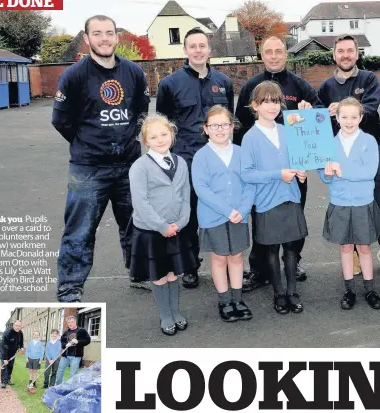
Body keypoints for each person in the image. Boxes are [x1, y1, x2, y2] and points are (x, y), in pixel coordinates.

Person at [52, 15, 151, 302]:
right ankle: (70, 288)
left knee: (136, 223)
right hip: (88, 169)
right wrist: (88, 143)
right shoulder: (74, 76)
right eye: (98, 33)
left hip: (130, 165)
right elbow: (61, 121)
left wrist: (128, 141)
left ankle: (139, 273)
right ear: (87, 38)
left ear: (117, 37)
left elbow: (141, 113)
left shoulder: (133, 72)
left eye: (109, 33)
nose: (104, 38)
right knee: (79, 231)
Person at [234, 36, 321, 290]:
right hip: (262, 172)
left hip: (294, 170)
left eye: (278, 51)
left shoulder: (300, 85)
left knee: (294, 216)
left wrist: (310, 111)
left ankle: (294, 262)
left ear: (286, 54)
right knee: (260, 219)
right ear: (262, 55)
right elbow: (240, 126)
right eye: (268, 52)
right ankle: (259, 268)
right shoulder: (252, 85)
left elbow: (319, 120)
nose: (273, 56)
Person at [156, 28, 235, 289]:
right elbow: (163, 126)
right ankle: (190, 266)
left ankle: (224, 259)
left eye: (203, 45)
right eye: (193, 46)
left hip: (218, 159)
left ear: (209, 49)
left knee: (219, 208)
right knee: (188, 214)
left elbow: (229, 121)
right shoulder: (169, 84)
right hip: (185, 159)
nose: (198, 50)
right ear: (185, 50)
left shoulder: (223, 82)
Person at [317, 34, 380, 277]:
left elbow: (370, 110)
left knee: (379, 202)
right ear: (334, 55)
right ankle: (352, 254)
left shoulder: (369, 79)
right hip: (340, 150)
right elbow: (318, 122)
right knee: (346, 205)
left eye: (350, 51)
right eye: (341, 51)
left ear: (357, 54)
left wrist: (341, 107)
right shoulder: (325, 87)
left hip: (367, 149)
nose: (345, 55)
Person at [240, 81, 308, 314]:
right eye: (266, 101)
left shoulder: (288, 130)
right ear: (255, 106)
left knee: (291, 249)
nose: (272, 106)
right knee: (271, 251)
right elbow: (247, 174)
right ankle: (279, 294)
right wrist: (278, 174)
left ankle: (292, 291)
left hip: (290, 197)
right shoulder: (250, 137)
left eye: (276, 101)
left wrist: (301, 170)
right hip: (267, 201)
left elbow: (300, 158)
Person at [319, 98, 380, 310]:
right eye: (344, 117)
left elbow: (368, 173)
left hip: (362, 202)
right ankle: (349, 290)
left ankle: (370, 289)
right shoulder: (329, 143)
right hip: (339, 202)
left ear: (361, 117)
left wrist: (341, 171)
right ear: (337, 118)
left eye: (353, 117)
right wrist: (328, 174)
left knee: (364, 248)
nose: (349, 121)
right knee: (346, 247)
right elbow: (323, 174)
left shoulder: (369, 142)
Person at [129, 114, 193, 336]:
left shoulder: (181, 162)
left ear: (172, 134)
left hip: (175, 228)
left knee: (173, 273)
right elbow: (140, 202)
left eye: (164, 134)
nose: (160, 140)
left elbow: (186, 194)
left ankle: (175, 311)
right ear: (145, 141)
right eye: (153, 137)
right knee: (159, 275)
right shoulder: (140, 167)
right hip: (151, 231)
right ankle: (165, 314)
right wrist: (161, 226)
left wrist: (181, 222)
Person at [192, 105, 256, 322]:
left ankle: (238, 299)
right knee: (219, 258)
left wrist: (243, 209)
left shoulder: (241, 153)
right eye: (214, 125)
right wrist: (227, 211)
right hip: (214, 217)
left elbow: (250, 184)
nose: (220, 129)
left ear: (232, 127)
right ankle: (225, 301)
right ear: (206, 129)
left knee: (237, 257)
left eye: (224, 125)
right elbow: (202, 189)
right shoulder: (201, 156)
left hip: (239, 214)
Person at [56, 316, 91, 385]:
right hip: (65, 356)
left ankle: (71, 388)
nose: (70, 324)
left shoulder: (81, 331)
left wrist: (78, 341)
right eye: (68, 322)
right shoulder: (66, 333)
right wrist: (66, 345)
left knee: (73, 372)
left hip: (76, 356)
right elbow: (62, 342)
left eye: (71, 322)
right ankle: (58, 386)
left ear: (75, 322)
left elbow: (88, 340)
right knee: (60, 370)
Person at [0, 320, 24, 388]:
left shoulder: (20, 333)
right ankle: (3, 382)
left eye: (19, 326)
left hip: (13, 354)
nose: (18, 327)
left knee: (10, 366)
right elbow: (4, 346)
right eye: (16, 325)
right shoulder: (7, 333)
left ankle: (8, 379)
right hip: (5, 352)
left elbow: (21, 341)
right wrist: (5, 358)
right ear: (13, 325)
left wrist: (21, 347)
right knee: (4, 367)